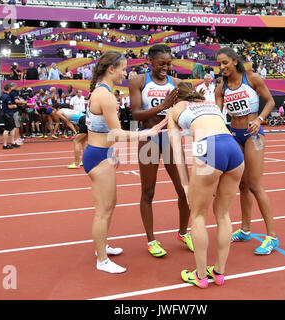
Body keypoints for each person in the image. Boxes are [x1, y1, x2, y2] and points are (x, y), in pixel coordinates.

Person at [83, 51, 167, 273]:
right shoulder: (106, 95)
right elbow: (118, 133)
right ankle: (101, 259)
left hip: (102, 152)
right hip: (98, 156)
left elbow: (99, 129)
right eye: (122, 69)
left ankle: (103, 246)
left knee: (110, 205)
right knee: (103, 209)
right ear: (111, 69)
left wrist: (113, 151)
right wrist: (145, 133)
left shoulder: (102, 92)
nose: (125, 73)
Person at [167, 82, 244, 288]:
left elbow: (177, 151)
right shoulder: (210, 104)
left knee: (199, 215)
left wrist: (185, 184)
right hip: (233, 149)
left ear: (175, 98)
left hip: (209, 147)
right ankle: (218, 272)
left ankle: (200, 276)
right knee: (223, 214)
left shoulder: (175, 109)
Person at [129, 44, 192, 258]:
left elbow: (187, 109)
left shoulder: (176, 83)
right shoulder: (138, 81)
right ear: (150, 61)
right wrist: (163, 105)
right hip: (149, 137)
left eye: (168, 63)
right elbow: (136, 114)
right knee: (148, 191)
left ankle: (184, 232)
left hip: (172, 138)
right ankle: (151, 240)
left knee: (185, 190)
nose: (165, 67)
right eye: (161, 63)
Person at [215, 47, 279, 255]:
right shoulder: (221, 87)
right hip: (235, 134)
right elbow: (217, 113)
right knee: (241, 184)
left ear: (234, 61)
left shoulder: (252, 79)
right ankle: (245, 229)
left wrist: (260, 120)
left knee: (254, 185)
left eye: (225, 63)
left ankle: (272, 236)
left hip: (253, 134)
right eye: (219, 64)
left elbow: (270, 101)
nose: (222, 67)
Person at [0, 84, 19, 149]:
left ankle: (13, 142)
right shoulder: (7, 96)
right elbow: (9, 106)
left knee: (12, 128)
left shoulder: (2, 95)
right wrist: (15, 106)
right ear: (9, 89)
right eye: (10, 89)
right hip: (7, 114)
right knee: (7, 129)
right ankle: (5, 145)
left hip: (6, 114)